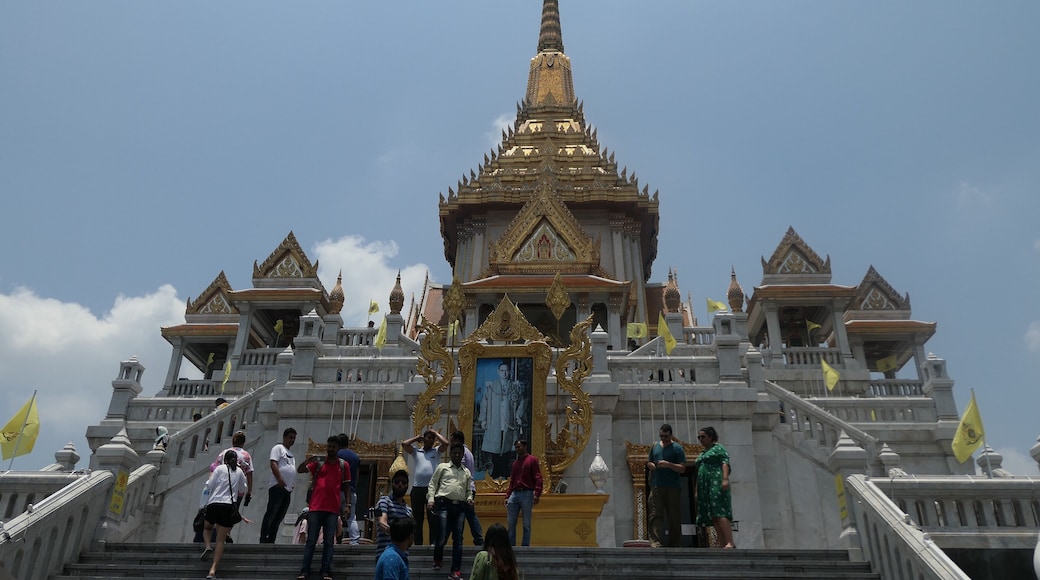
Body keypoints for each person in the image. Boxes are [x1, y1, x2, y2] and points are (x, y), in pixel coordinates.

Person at [297, 435, 351, 580]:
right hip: (316, 507)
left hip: (332, 509)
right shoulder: (319, 463)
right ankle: (305, 571)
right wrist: (307, 461)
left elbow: (347, 486)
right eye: (329, 446)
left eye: (334, 447)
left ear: (338, 448)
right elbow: (300, 470)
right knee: (311, 540)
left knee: (329, 542)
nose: (331, 449)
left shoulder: (343, 465)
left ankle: (325, 571)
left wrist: (348, 505)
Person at [428, 443, 474, 579]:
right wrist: (431, 499)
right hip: (444, 504)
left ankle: (456, 570)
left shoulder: (466, 472)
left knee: (458, 539)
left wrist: (469, 498)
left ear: (462, 455)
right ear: (451, 453)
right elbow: (432, 484)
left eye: (459, 453)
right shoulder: (442, 467)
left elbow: (468, 490)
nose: (457, 455)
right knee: (442, 535)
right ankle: (437, 559)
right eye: (455, 453)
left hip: (460, 507)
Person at [202, 449, 249, 580]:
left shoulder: (219, 468)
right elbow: (242, 489)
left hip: (214, 503)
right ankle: (212, 570)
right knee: (220, 540)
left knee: (207, 528)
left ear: (225, 459)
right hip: (228, 506)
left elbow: (209, 485)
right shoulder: (239, 471)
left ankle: (207, 546)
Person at [202, 430, 254, 543]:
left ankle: (220, 534)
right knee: (233, 512)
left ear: (233, 440)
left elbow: (213, 468)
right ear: (243, 442)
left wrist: (211, 484)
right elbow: (249, 473)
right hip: (237, 490)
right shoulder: (246, 455)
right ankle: (227, 532)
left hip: (221, 487)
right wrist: (250, 491)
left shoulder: (224, 453)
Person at [402, 429, 448, 546]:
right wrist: (416, 438)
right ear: (424, 439)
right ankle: (418, 544)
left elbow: (446, 444)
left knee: (433, 518)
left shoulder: (436, 451)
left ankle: (433, 543)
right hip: (417, 488)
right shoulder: (417, 452)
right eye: (428, 438)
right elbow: (404, 444)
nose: (431, 440)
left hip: (431, 490)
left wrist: (435, 433)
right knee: (418, 518)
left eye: (432, 438)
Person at [480, 361, 525, 478]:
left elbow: (522, 402)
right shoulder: (491, 386)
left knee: (507, 447)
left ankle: (505, 471)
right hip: (494, 421)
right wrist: (483, 419)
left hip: (509, 422)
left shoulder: (514, 386)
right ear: (498, 372)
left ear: (509, 372)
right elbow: (484, 403)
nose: (504, 373)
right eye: (502, 370)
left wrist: (518, 415)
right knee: (495, 447)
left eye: (506, 370)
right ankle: (496, 471)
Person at [695, 426, 735, 549]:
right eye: (699, 437)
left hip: (716, 482)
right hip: (705, 486)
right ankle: (722, 543)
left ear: (711, 437)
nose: (701, 439)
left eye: (703, 437)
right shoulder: (703, 453)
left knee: (720, 511)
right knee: (713, 515)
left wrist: (725, 479)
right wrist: (697, 489)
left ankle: (730, 542)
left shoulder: (718, 448)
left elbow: (725, 463)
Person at [646, 423, 686, 548]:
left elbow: (682, 468)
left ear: (671, 435)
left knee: (674, 515)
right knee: (655, 513)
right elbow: (649, 461)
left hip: (672, 486)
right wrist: (651, 465)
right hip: (656, 485)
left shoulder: (677, 448)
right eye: (661, 436)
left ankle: (674, 542)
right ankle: (655, 541)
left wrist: (668, 464)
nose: (663, 439)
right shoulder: (655, 446)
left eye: (666, 436)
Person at [260, 427, 297, 543]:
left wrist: (290, 484)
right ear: (284, 437)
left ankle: (271, 539)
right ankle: (264, 538)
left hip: (287, 489)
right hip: (277, 486)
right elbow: (273, 464)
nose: (292, 440)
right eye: (290, 437)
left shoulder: (291, 455)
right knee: (271, 513)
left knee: (279, 516)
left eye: (294, 438)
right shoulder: (278, 448)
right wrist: (280, 479)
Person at [504, 439, 542, 547]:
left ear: (525, 447)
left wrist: (537, 493)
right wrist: (508, 496)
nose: (517, 449)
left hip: (527, 493)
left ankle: (525, 546)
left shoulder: (532, 460)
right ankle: (511, 545)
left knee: (526, 523)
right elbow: (512, 481)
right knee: (511, 522)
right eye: (516, 447)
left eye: (519, 447)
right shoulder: (515, 464)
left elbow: (538, 477)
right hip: (515, 493)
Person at [451, 431, 484, 546]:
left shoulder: (462, 453)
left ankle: (474, 539)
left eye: (452, 439)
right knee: (469, 515)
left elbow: (459, 469)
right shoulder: (468, 452)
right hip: (469, 488)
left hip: (464, 488)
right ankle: (477, 539)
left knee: (464, 515)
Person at [376, 467, 413, 558]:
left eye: (403, 482)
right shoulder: (384, 501)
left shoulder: (408, 510)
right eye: (397, 482)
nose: (400, 484)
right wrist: (395, 532)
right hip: (386, 554)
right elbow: (382, 522)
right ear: (392, 484)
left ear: (407, 486)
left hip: (403, 556)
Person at [336, 433, 362, 545]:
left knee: (333, 516)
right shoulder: (355, 457)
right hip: (350, 491)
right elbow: (357, 476)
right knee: (351, 518)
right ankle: (354, 541)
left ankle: (331, 539)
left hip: (337, 491)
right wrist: (353, 487)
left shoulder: (336, 455)